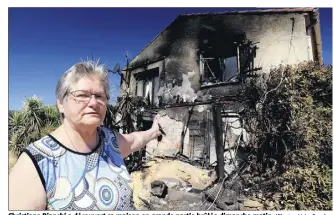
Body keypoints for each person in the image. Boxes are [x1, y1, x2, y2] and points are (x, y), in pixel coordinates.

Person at [9, 61, 162, 210]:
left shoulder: (110, 142)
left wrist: (155, 130)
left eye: (99, 96)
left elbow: (135, 140)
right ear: (61, 103)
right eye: (82, 95)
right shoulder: (37, 163)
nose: (94, 103)